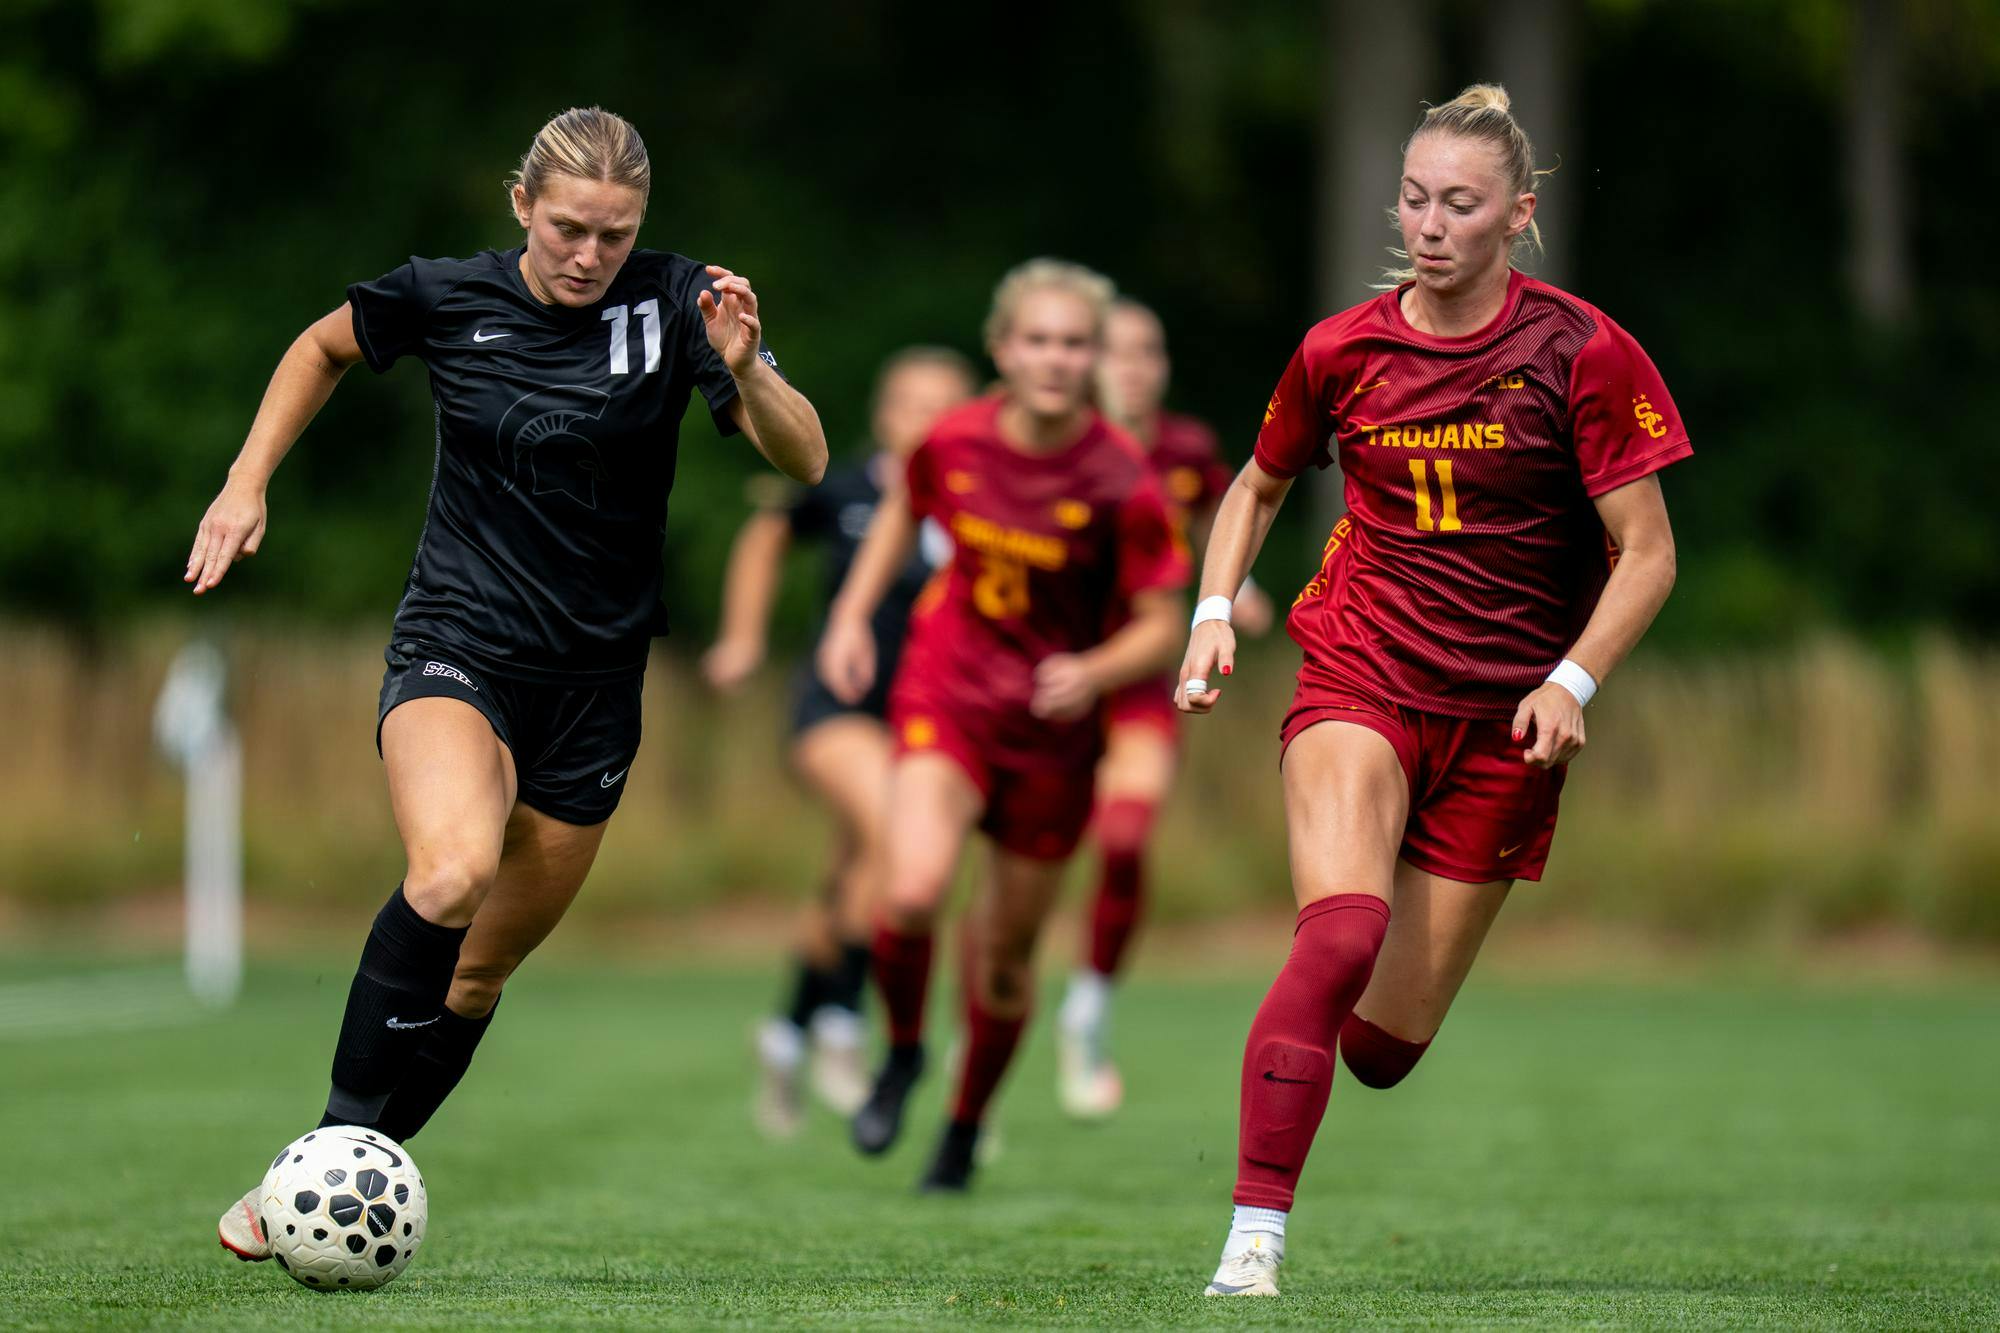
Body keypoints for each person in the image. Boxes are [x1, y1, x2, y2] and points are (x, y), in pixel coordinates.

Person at [190, 107, 827, 1262]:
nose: (590, 255)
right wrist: (247, 482)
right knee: (450, 874)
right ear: (520, 205)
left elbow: (806, 457)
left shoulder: (681, 304)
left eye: (615, 235)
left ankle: (325, 1167)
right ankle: (327, 1166)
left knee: (477, 974)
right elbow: (321, 346)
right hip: (458, 645)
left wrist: (744, 370)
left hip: (596, 686)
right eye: (570, 228)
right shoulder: (446, 293)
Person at [1181, 85, 1688, 1296]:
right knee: (1341, 929)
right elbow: (1255, 485)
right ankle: (1251, 1238)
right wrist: (1210, 613)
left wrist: (1574, 678)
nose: (1427, 223)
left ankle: (1309, 1056)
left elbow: (1651, 554)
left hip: (1509, 721)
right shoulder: (1339, 349)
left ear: (1516, 215)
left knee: (1382, 1050)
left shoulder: (1579, 348)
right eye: (1412, 197)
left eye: (1458, 204)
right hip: (1362, 668)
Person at [817, 259, 1189, 1191]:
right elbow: (907, 505)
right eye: (1038, 340)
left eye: (1074, 343)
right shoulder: (956, 437)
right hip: (947, 696)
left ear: (1094, 355)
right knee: (909, 892)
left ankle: (964, 1121)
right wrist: (853, 613)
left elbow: (1162, 624)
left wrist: (1091, 671)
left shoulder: (1119, 474)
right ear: (1003, 348)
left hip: (1053, 739)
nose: (1056, 358)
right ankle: (902, 1053)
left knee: (1007, 962)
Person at [701, 347, 976, 1136]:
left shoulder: (979, 497)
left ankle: (787, 1033)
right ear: (884, 414)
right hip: (837, 707)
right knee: (892, 838)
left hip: (930, 716)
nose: (924, 420)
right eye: (910, 403)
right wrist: (743, 639)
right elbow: (764, 538)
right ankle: (841, 1030)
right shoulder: (848, 484)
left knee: (858, 872)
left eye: (943, 405)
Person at [1053, 298, 1274, 1120]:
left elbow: (1228, 524)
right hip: (1046, 675)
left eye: (1149, 351)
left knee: (1124, 836)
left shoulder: (1185, 450)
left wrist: (1235, 596)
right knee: (1020, 864)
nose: (1133, 367)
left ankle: (1087, 1010)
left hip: (1140, 677)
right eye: (1116, 351)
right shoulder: (1055, 442)